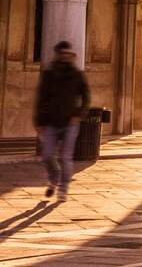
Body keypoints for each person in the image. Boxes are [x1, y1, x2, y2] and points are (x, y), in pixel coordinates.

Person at [35, 41, 89, 201]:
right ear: (58, 54)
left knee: (66, 158)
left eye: (68, 54)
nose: (65, 56)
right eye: (63, 53)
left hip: (70, 122)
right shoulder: (49, 74)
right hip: (51, 122)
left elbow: (86, 97)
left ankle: (63, 189)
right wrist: (38, 121)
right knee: (47, 156)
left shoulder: (78, 75)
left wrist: (79, 114)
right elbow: (41, 98)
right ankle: (54, 178)